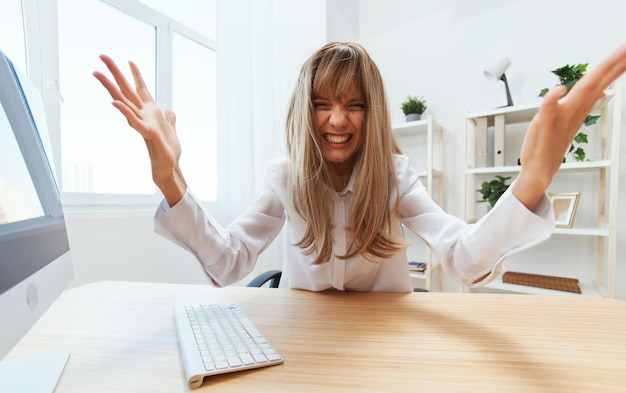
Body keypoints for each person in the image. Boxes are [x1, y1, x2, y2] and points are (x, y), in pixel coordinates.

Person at [93, 41, 626, 292]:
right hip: (304, 341)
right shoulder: (284, 177)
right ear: (306, 111)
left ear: (372, 112)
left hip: (386, 339)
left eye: (353, 105)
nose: (337, 121)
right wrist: (170, 177)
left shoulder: (395, 176)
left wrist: (533, 178)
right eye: (322, 104)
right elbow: (230, 261)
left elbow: (464, 259)